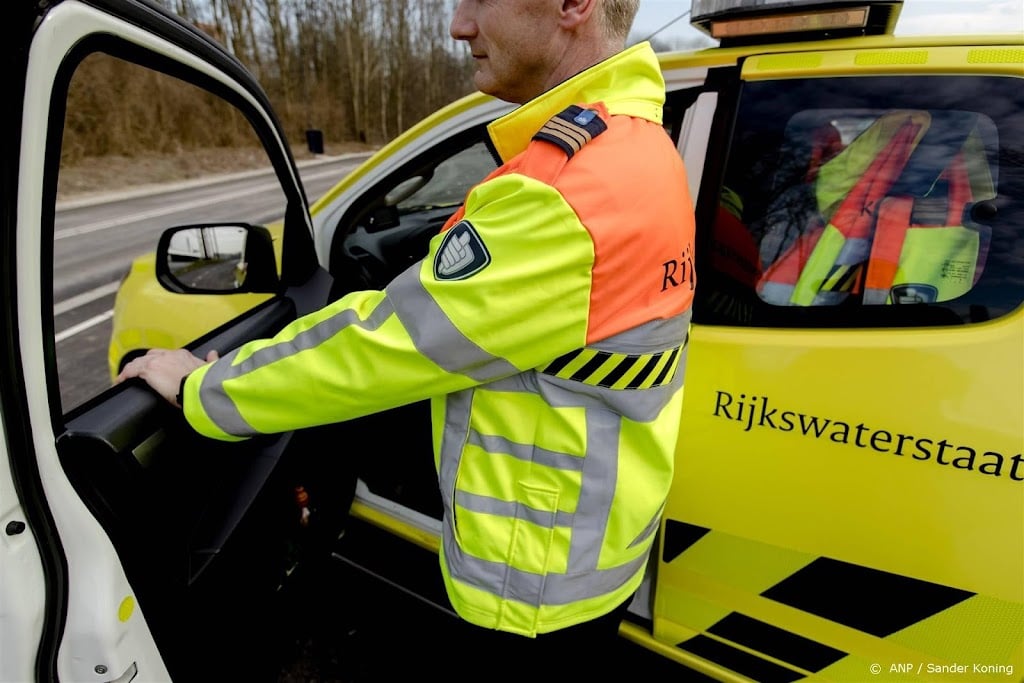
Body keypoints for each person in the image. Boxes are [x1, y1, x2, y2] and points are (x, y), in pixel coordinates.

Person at [118, 0, 696, 671]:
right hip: (597, 550)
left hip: (531, 588)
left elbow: (380, 347)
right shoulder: (642, 148)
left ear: (573, 5)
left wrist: (201, 388)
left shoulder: (565, 193)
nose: (458, 25)